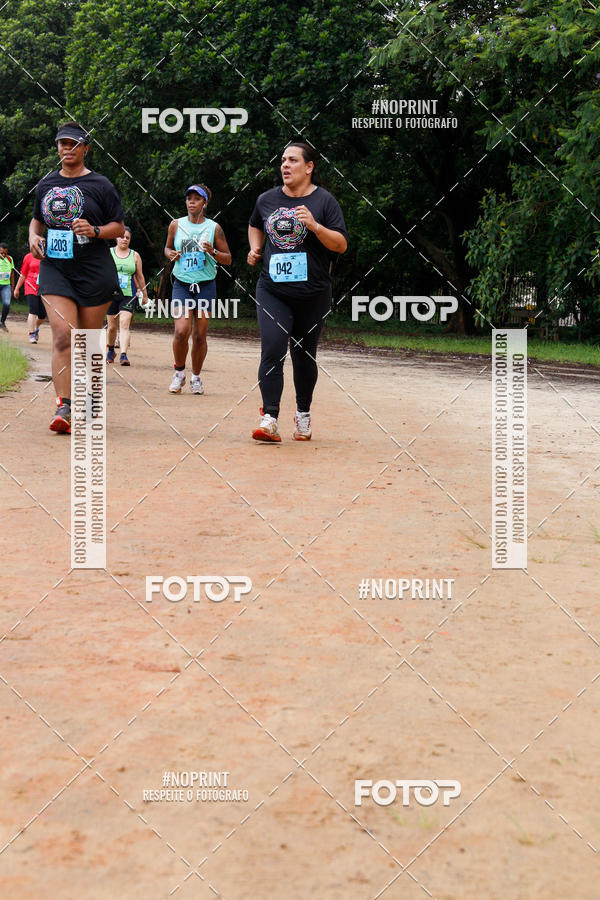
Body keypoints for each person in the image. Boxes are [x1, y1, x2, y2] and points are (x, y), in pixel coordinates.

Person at [247, 140, 348, 441]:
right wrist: (255, 248)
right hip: (273, 291)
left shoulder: (325, 202)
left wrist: (315, 226)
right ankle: (269, 418)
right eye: (282, 160)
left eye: (292, 160)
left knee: (304, 355)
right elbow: (255, 224)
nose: (285, 166)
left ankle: (303, 414)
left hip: (313, 294)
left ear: (309, 167)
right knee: (273, 348)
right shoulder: (266, 199)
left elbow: (340, 245)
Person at [29, 121, 125, 433]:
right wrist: (33, 238)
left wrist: (95, 230)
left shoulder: (101, 185)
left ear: (85, 148)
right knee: (61, 335)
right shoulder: (46, 184)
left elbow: (119, 227)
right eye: (62, 144)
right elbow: (36, 222)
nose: (67, 149)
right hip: (56, 268)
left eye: (73, 144)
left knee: (87, 341)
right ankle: (64, 406)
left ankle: (88, 400)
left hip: (94, 270)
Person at [164, 183, 231, 394]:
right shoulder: (176, 225)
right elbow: (167, 247)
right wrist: (170, 254)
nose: (191, 202)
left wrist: (213, 252)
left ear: (204, 203)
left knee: (200, 335)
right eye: (188, 198)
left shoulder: (214, 228)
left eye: (196, 199)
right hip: (182, 285)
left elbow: (228, 259)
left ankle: (196, 377)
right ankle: (179, 373)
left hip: (205, 285)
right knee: (181, 330)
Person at [106, 226, 148, 365]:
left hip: (128, 294)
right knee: (112, 327)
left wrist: (144, 294)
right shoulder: (109, 253)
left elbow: (140, 276)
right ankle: (111, 350)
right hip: (110, 294)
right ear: (116, 238)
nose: (124, 239)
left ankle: (124, 355)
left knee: (124, 324)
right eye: (122, 237)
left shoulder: (135, 255)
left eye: (127, 238)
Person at [14, 251, 46, 342]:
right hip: (30, 286)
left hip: (43, 288)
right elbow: (23, 274)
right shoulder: (28, 256)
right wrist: (17, 288)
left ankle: (36, 327)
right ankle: (32, 334)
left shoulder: (47, 257)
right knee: (33, 310)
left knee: (42, 315)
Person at [0, 243, 15, 331]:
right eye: (1, 253)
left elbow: (12, 273)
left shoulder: (10, 259)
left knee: (7, 303)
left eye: (5, 253)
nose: (3, 255)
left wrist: (12, 286)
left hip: (6, 285)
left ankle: (2, 322)